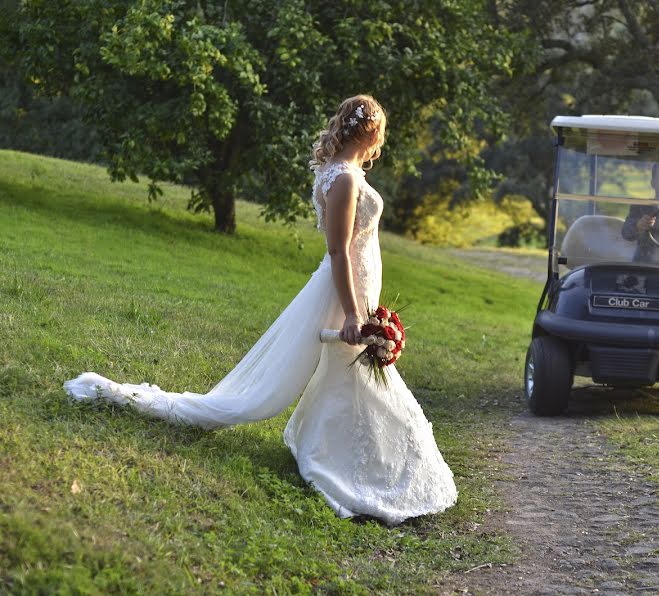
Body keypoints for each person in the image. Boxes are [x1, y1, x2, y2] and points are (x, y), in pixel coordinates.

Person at [63, 95, 458, 525]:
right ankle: (354, 465)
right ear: (371, 131)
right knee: (352, 373)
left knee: (348, 375)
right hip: (344, 292)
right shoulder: (344, 180)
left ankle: (337, 451)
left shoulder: (341, 173)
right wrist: (350, 313)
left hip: (353, 290)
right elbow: (339, 251)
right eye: (381, 129)